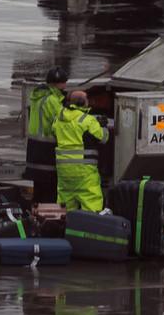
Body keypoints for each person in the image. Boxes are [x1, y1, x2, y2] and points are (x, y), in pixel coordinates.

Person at [53, 89, 109, 213]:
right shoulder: (88, 120)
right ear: (83, 103)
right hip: (84, 172)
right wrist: (103, 126)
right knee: (91, 204)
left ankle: (63, 230)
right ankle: (89, 231)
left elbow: (54, 131)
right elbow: (103, 138)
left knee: (65, 207)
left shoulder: (59, 119)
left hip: (64, 172)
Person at [23, 67, 69, 201]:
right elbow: (63, 122)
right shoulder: (52, 100)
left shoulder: (38, 97)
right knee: (50, 194)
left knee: (38, 192)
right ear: (60, 84)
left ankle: (35, 218)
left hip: (34, 151)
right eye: (64, 82)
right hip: (47, 153)